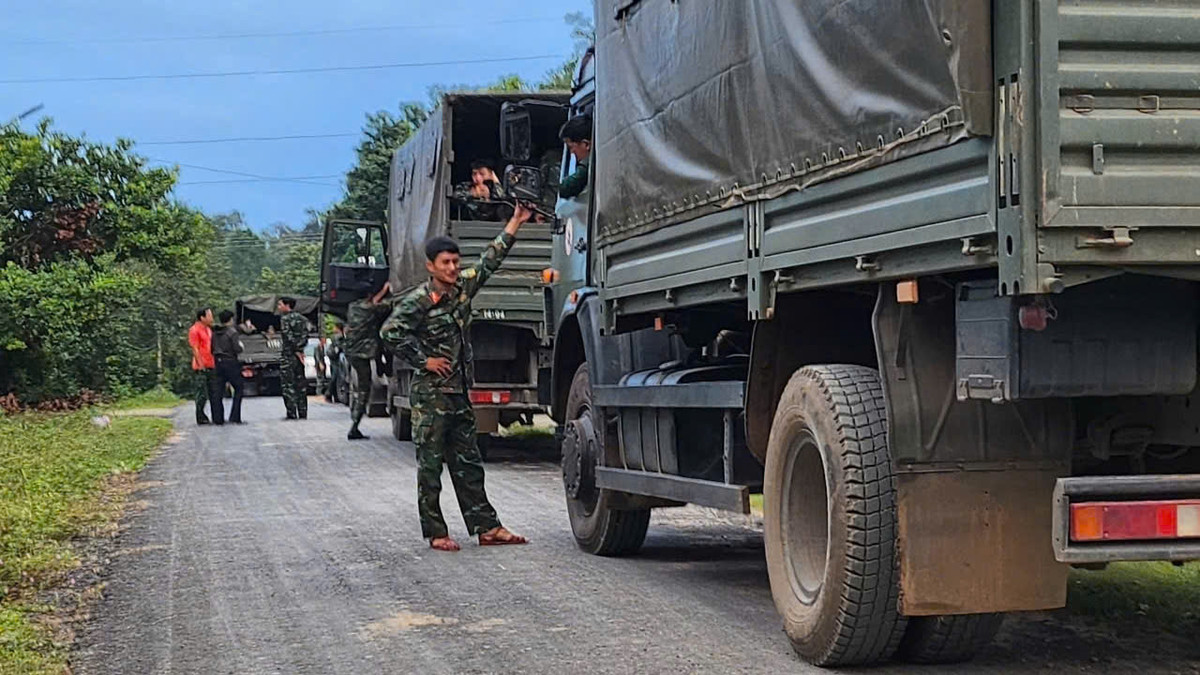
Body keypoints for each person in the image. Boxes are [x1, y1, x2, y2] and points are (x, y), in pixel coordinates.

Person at [381, 204, 534, 552]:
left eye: (455, 261)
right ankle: (436, 531)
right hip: (431, 396)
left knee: (469, 463)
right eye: (445, 263)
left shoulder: (463, 288)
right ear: (430, 266)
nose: (452, 268)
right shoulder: (419, 301)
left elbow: (490, 260)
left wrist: (515, 221)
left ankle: (487, 527)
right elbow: (389, 332)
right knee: (431, 466)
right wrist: (424, 360)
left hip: (458, 392)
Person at [345, 282, 393, 440]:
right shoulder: (371, 309)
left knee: (361, 387)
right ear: (368, 295)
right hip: (363, 354)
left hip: (352, 353)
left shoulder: (352, 307)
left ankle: (354, 417)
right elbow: (389, 305)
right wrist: (386, 290)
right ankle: (354, 426)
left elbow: (372, 303)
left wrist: (380, 292)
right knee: (364, 389)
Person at [210, 309, 245, 425]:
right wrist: (241, 346)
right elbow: (237, 349)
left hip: (218, 362)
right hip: (230, 362)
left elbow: (211, 348)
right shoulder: (232, 332)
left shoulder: (215, 332)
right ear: (230, 320)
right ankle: (235, 416)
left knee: (218, 391)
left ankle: (218, 418)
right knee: (239, 388)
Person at [277, 297, 309, 420]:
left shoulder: (284, 319)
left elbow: (287, 336)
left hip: (288, 355)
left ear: (287, 305)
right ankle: (303, 412)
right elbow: (306, 336)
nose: (278, 307)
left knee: (288, 385)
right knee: (301, 385)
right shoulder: (302, 319)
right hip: (299, 356)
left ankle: (291, 412)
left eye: (280, 305)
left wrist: (295, 350)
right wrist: (300, 350)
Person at [187, 308, 217, 425]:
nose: (212, 318)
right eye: (209, 316)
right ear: (202, 317)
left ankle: (215, 416)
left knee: (213, 391)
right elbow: (195, 348)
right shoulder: (194, 330)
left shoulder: (208, 330)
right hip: (201, 366)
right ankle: (200, 416)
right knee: (201, 393)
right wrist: (200, 364)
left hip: (211, 363)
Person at [558, 114, 592, 199]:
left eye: (571, 147)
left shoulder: (588, 167)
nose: (571, 152)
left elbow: (566, 188)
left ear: (586, 144)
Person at [326, 324, 345, 403]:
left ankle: (334, 395)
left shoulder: (337, 337)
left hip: (335, 359)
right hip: (335, 359)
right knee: (335, 377)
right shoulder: (337, 337)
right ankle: (329, 394)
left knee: (336, 378)